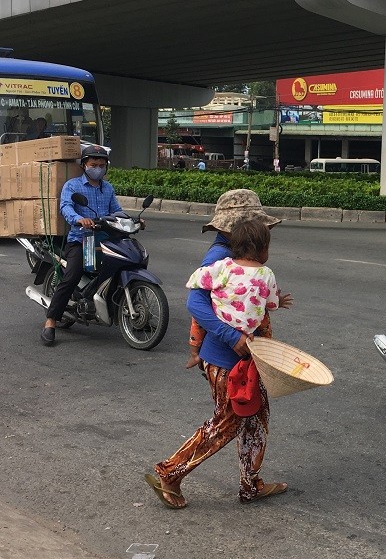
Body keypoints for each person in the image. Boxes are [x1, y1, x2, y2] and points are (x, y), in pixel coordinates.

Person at [148, 218, 292, 509]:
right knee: (225, 423)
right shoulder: (222, 260)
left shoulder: (222, 265)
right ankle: (171, 472)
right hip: (228, 362)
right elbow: (195, 303)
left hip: (247, 360)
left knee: (256, 420)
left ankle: (251, 485)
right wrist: (232, 334)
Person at [185, 189, 283, 370]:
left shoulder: (236, 253)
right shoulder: (221, 256)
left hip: (232, 356)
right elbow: (195, 303)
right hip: (226, 356)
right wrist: (233, 337)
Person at [41, 145, 123, 346]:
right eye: (93, 164)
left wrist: (133, 220)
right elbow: (66, 207)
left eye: (101, 165)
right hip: (80, 240)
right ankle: (51, 321)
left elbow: (117, 211)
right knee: (72, 276)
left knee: (122, 265)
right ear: (84, 165)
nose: (98, 168)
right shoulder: (73, 185)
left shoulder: (108, 188)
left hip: (105, 239)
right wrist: (79, 219)